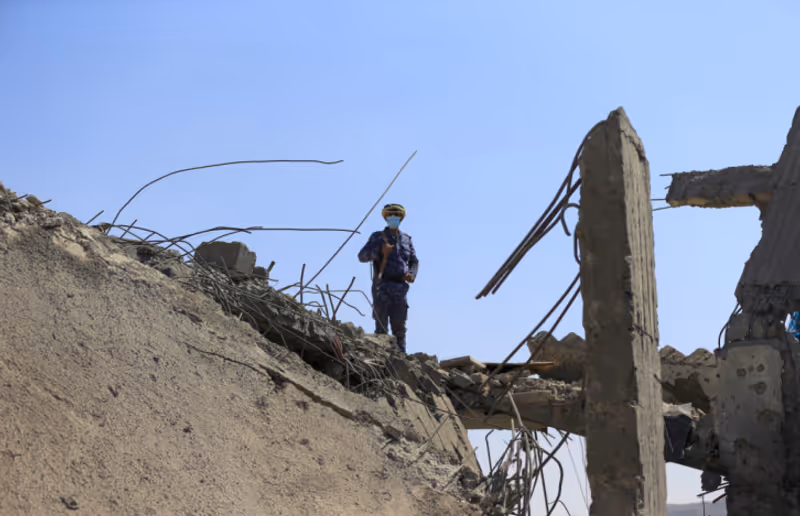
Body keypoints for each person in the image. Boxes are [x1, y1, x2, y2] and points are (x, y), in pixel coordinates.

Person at [358, 203, 418, 353]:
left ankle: (401, 358)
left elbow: (414, 261)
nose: (393, 219)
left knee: (399, 327)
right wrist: (379, 251)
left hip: (400, 287)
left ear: (400, 218)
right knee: (381, 326)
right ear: (386, 218)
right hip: (382, 286)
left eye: (396, 216)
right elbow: (362, 256)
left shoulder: (406, 239)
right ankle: (381, 355)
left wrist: (411, 274)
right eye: (390, 216)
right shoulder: (377, 237)